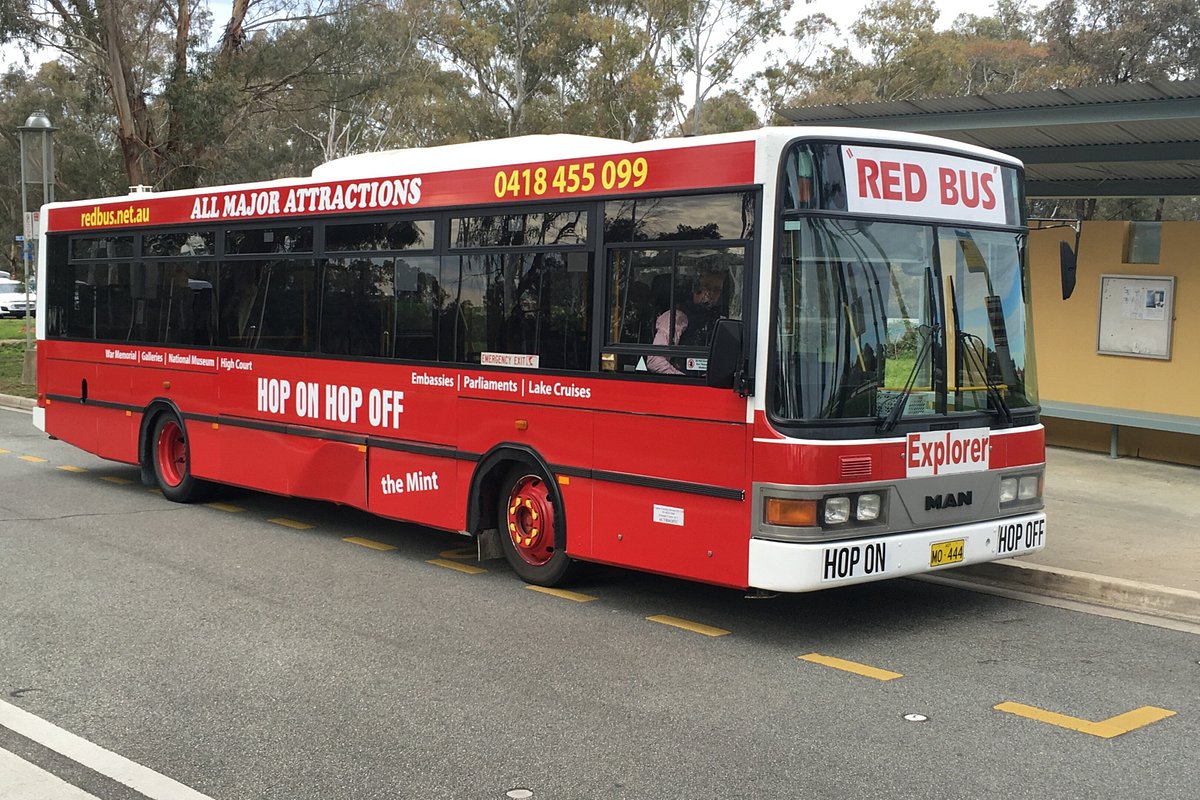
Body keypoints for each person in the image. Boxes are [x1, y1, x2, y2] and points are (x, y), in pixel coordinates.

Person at [646, 270, 726, 375]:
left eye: (716, 290)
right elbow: (655, 361)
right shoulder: (676, 317)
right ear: (694, 289)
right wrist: (685, 380)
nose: (710, 294)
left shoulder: (717, 320)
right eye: (705, 287)